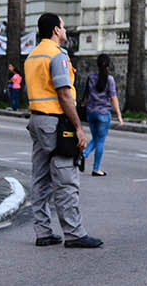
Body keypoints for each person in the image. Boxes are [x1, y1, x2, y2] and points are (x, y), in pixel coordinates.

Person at [24, 13, 102, 248]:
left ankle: (43, 231)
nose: (66, 31)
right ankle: (74, 233)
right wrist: (78, 127)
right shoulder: (56, 56)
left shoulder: (32, 55)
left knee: (40, 179)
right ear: (56, 30)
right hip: (56, 123)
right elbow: (65, 94)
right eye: (64, 27)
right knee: (66, 178)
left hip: (37, 120)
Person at [82, 54, 124, 177]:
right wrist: (119, 116)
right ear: (108, 65)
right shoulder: (109, 79)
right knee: (100, 140)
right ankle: (94, 167)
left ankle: (84, 155)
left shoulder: (91, 77)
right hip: (104, 114)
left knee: (96, 138)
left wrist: (82, 107)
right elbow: (113, 97)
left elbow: (86, 95)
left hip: (91, 113)